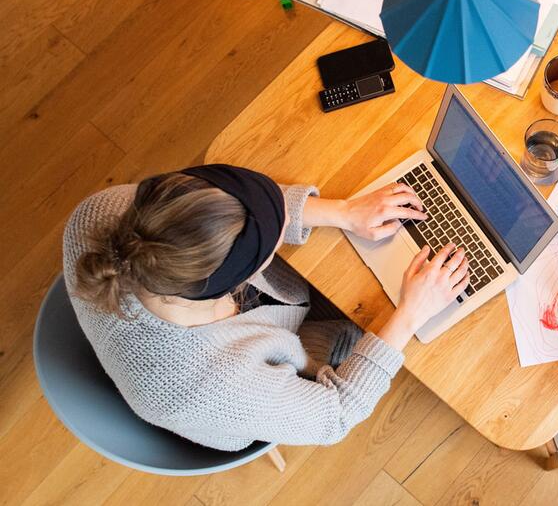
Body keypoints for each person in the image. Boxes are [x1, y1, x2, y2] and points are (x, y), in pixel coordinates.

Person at [64, 164, 469, 451]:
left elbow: (230, 208)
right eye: (271, 242)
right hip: (265, 388)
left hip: (258, 339)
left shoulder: (111, 213)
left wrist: (342, 211)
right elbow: (338, 415)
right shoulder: (212, 387)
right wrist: (411, 313)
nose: (281, 235)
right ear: (231, 284)